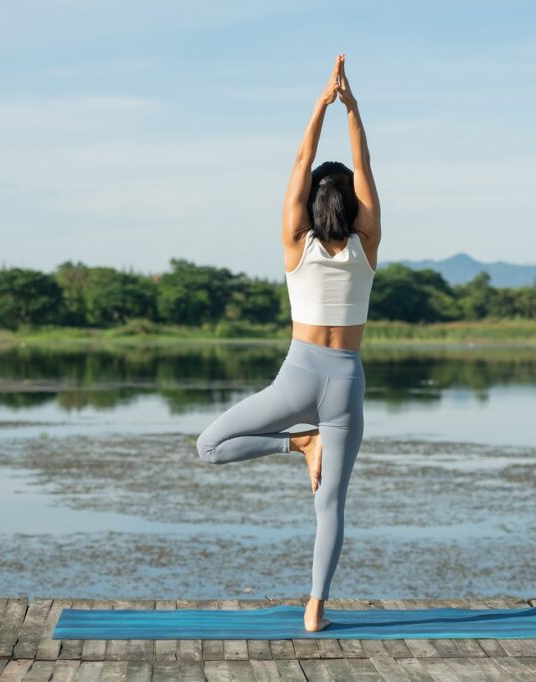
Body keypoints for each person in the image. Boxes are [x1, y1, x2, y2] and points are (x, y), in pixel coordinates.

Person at [196, 53, 381, 632]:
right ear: (352, 205)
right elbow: (364, 162)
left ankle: (296, 445)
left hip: (297, 377)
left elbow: (303, 159)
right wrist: (352, 108)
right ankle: (316, 607)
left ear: (310, 203)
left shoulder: (293, 242)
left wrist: (321, 104)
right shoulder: (367, 245)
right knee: (331, 505)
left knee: (209, 446)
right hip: (346, 379)